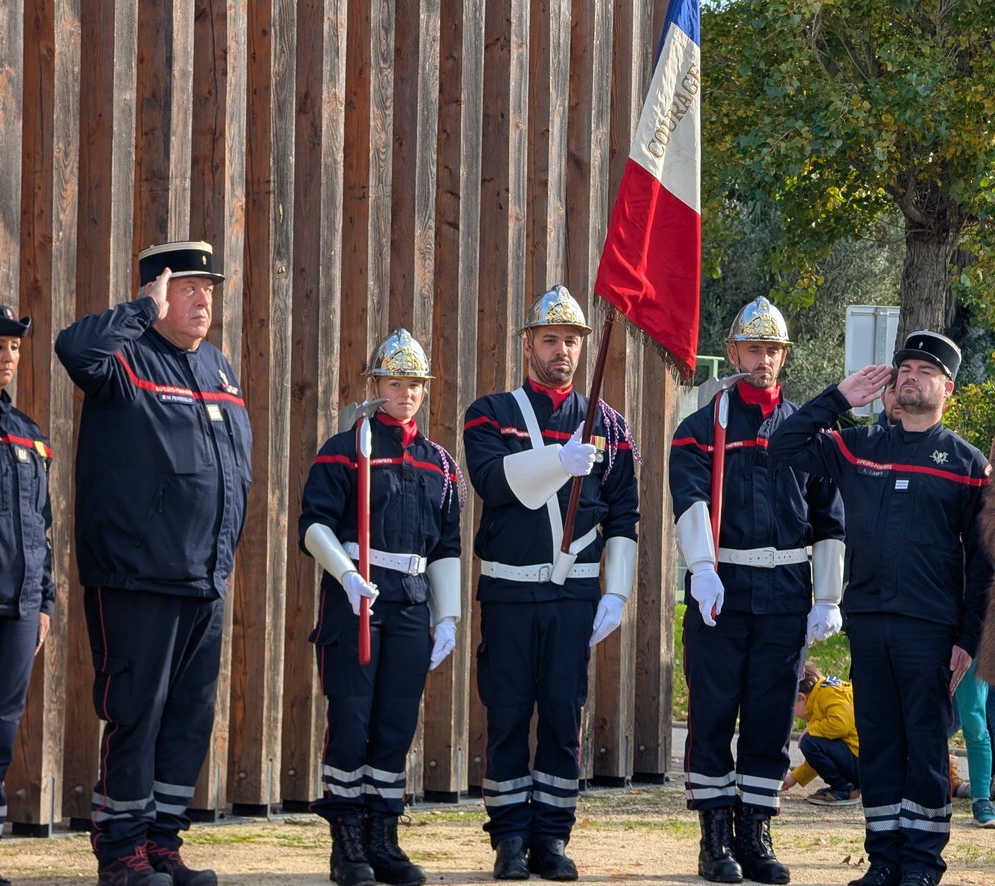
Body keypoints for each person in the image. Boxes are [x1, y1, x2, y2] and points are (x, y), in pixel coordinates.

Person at [55, 240, 252, 886]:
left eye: (208, 289)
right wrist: (139, 311)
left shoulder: (218, 367)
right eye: (188, 288)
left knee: (187, 720)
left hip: (203, 578)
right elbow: (74, 350)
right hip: (138, 575)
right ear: (157, 293)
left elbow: (231, 471)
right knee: (136, 715)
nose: (203, 300)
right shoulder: (124, 357)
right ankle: (122, 852)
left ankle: (163, 843)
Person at [769, 330, 992, 886]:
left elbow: (984, 563)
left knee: (924, 746)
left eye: (925, 371)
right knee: (880, 745)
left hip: (931, 631)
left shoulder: (966, 464)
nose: (911, 377)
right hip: (869, 624)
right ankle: (885, 858)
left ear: (947, 388)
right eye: (904, 369)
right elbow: (784, 445)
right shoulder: (859, 445)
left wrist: (969, 639)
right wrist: (838, 398)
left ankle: (921, 863)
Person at [462, 285, 639, 882]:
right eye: (550, 340)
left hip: (574, 593)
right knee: (508, 714)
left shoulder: (609, 424)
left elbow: (625, 514)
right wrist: (559, 461)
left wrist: (617, 590)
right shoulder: (490, 413)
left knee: (565, 717)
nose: (562, 350)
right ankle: (509, 837)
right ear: (527, 345)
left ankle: (553, 837)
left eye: (571, 341)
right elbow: (492, 482)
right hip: (510, 590)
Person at [669, 296, 845, 886]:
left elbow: (830, 518)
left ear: (784, 358)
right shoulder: (700, 428)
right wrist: (702, 568)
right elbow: (690, 499)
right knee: (713, 712)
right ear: (734, 352)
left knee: (770, 718)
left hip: (786, 594)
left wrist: (828, 597)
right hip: (721, 590)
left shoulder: (811, 431)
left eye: (772, 350)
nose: (762, 360)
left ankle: (756, 833)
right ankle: (715, 839)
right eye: (753, 349)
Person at [298, 328, 464, 886]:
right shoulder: (344, 449)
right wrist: (346, 575)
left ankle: (382, 838)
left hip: (412, 604)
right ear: (375, 386)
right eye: (395, 383)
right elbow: (313, 525)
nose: (406, 393)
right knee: (351, 720)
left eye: (415, 384)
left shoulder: (439, 463)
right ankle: (347, 843)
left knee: (396, 722)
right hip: (357, 601)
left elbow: (446, 544)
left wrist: (448, 615)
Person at [0, 308, 54, 886]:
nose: (8, 357)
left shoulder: (29, 433)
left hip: (21, 609)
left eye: (15, 347)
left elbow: (41, 524)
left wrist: (44, 602)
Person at [781, 662, 860, 806]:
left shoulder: (828, 694)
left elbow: (840, 725)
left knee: (809, 741)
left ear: (801, 698)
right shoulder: (824, 692)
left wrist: (810, 730)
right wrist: (794, 777)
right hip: (865, 762)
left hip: (862, 763)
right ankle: (847, 786)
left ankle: (844, 789)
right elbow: (824, 757)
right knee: (812, 741)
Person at [953, 660, 995, 825]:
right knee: (926, 724)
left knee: (975, 724)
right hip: (929, 648)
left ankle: (981, 798)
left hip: (971, 651)